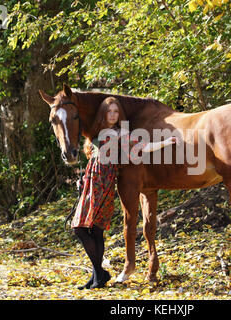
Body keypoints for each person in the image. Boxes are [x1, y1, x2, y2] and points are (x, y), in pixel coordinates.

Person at [71, 96, 179, 289]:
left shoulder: (121, 133)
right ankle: (98, 274)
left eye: (116, 112)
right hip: (90, 180)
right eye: (109, 111)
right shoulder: (96, 132)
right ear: (103, 114)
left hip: (103, 182)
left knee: (88, 228)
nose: (113, 115)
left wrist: (166, 142)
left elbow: (142, 147)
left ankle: (99, 275)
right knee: (86, 229)